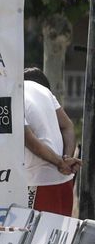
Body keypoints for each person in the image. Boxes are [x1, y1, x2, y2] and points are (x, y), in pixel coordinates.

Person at [23, 67, 80, 216]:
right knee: (61, 236)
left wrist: (61, 163)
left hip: (40, 181)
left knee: (34, 236)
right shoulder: (44, 91)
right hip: (64, 181)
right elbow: (68, 125)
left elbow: (30, 140)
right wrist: (65, 159)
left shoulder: (13, 95)